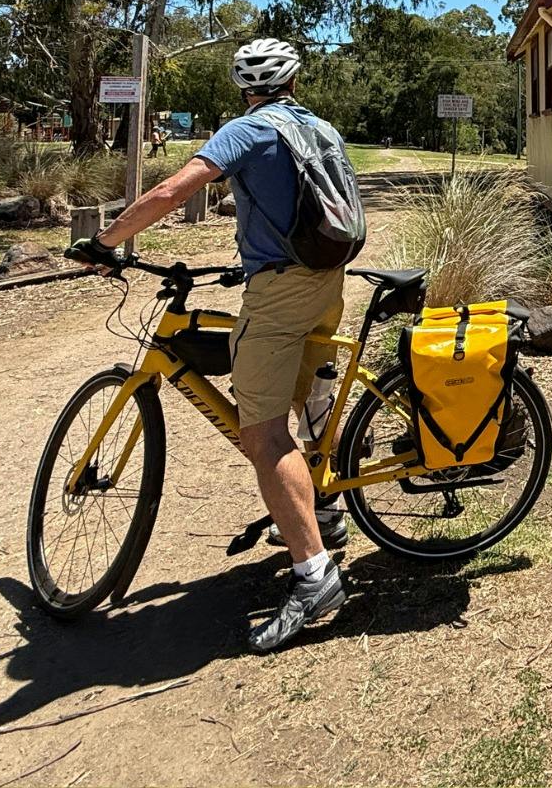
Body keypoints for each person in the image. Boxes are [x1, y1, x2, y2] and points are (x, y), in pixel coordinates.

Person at [67, 38, 348, 653]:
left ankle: (314, 574)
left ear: (245, 89)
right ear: (294, 84)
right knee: (304, 392)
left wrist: (107, 242)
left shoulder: (246, 131)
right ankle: (325, 513)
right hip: (327, 279)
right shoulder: (322, 129)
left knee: (263, 432)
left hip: (279, 293)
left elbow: (172, 192)